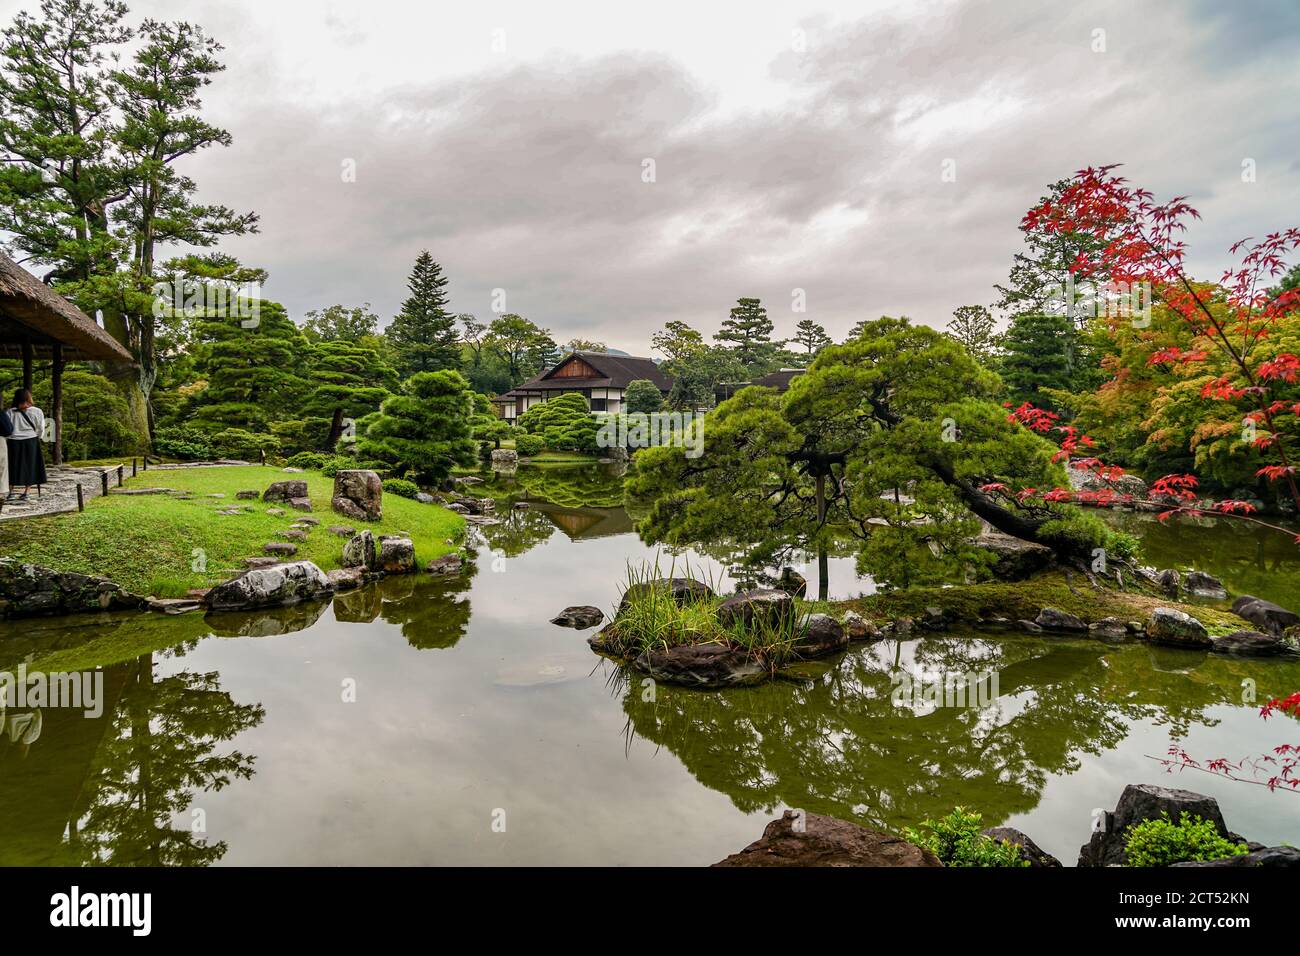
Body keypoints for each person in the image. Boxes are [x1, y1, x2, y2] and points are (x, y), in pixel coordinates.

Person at [5, 389, 46, 500]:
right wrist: (38, 436)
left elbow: (7, 429)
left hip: (14, 441)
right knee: (30, 466)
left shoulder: (9, 412)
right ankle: (26, 493)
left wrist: (10, 438)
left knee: (12, 466)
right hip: (31, 441)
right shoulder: (37, 411)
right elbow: (41, 427)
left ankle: (11, 492)